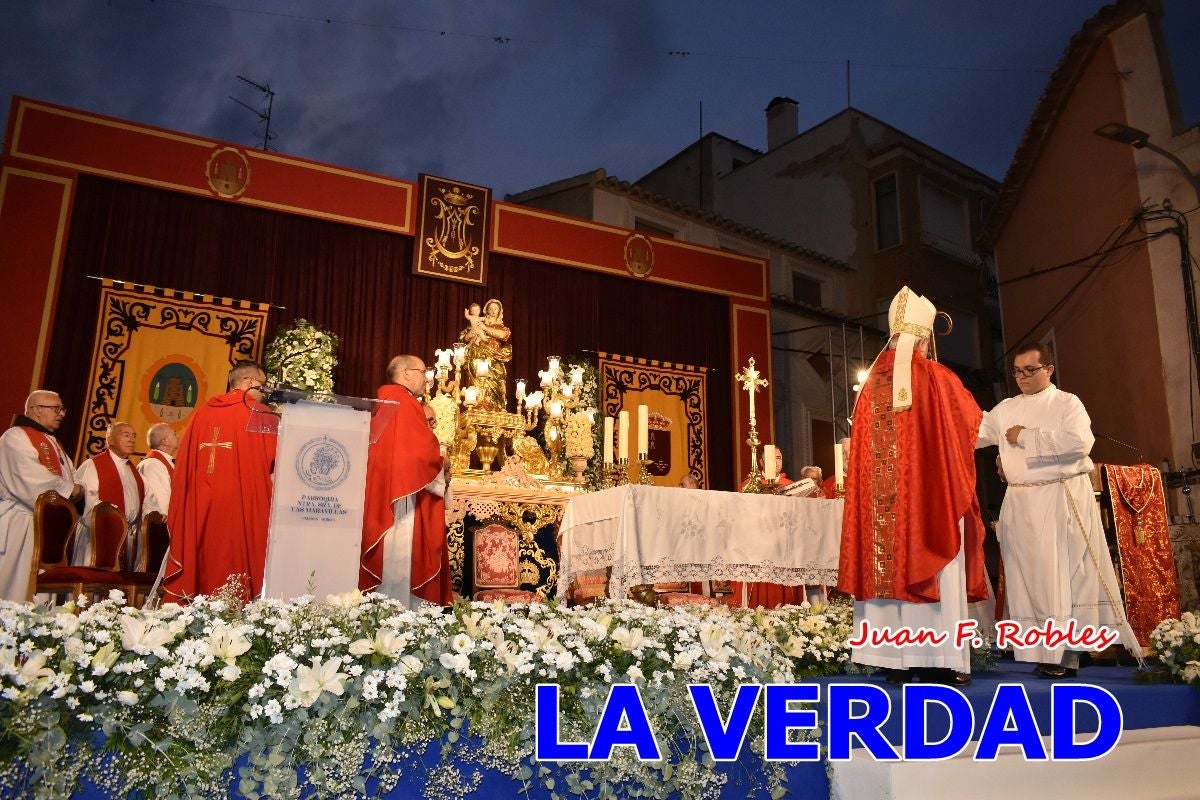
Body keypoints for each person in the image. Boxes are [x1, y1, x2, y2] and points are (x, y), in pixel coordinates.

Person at [838, 287, 988, 685]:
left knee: (885, 560)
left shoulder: (869, 387)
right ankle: (938, 660)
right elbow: (976, 427)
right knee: (936, 558)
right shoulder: (937, 377)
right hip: (929, 501)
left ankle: (891, 659)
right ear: (923, 337)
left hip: (881, 510)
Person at [977, 343, 1141, 678]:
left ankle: (1065, 652)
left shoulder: (1067, 403)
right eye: (1017, 371)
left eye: (1030, 370)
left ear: (1048, 369)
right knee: (1029, 579)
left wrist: (1026, 437)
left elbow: (1080, 443)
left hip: (1059, 496)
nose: (1022, 377)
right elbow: (972, 432)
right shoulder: (1005, 408)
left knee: (1063, 576)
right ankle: (1043, 648)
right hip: (1021, 501)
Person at [163, 361, 277, 602]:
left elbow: (183, 464)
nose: (264, 392)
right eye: (262, 385)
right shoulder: (259, 413)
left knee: (203, 559)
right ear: (248, 382)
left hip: (201, 505)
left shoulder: (201, 414)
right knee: (237, 560)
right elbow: (277, 465)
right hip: (241, 505)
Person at [360, 355, 452, 607]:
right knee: (399, 557)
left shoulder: (382, 400)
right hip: (401, 495)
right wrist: (441, 462)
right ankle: (399, 616)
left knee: (387, 554)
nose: (427, 378)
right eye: (423, 372)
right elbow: (421, 452)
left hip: (381, 490)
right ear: (406, 374)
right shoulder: (405, 401)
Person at [0, 391, 81, 601]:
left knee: (40, 596)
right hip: (21, 523)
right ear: (36, 410)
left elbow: (72, 476)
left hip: (47, 526)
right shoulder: (16, 436)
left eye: (62, 409)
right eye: (56, 409)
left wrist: (76, 487)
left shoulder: (54, 442)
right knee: (14, 590)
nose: (62, 414)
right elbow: (28, 477)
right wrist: (70, 490)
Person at [73, 421, 144, 567]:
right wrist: (111, 523)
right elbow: (86, 504)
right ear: (110, 440)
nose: (132, 439)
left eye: (134, 436)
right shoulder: (93, 465)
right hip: (96, 538)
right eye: (126, 435)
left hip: (127, 538)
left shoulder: (134, 471)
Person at [458, 299, 512, 411]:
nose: (493, 311)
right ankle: (478, 406)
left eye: (495, 309)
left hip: (495, 358)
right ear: (486, 310)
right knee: (478, 381)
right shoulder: (478, 323)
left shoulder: (502, 327)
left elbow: (503, 335)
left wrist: (486, 329)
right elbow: (464, 338)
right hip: (477, 357)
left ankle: (497, 408)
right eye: (490, 308)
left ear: (499, 311)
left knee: (498, 381)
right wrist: (473, 332)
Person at [138, 422, 179, 520]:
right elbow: (160, 504)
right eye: (174, 434)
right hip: (159, 528)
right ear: (165, 441)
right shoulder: (153, 464)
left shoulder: (165, 462)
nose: (178, 436)